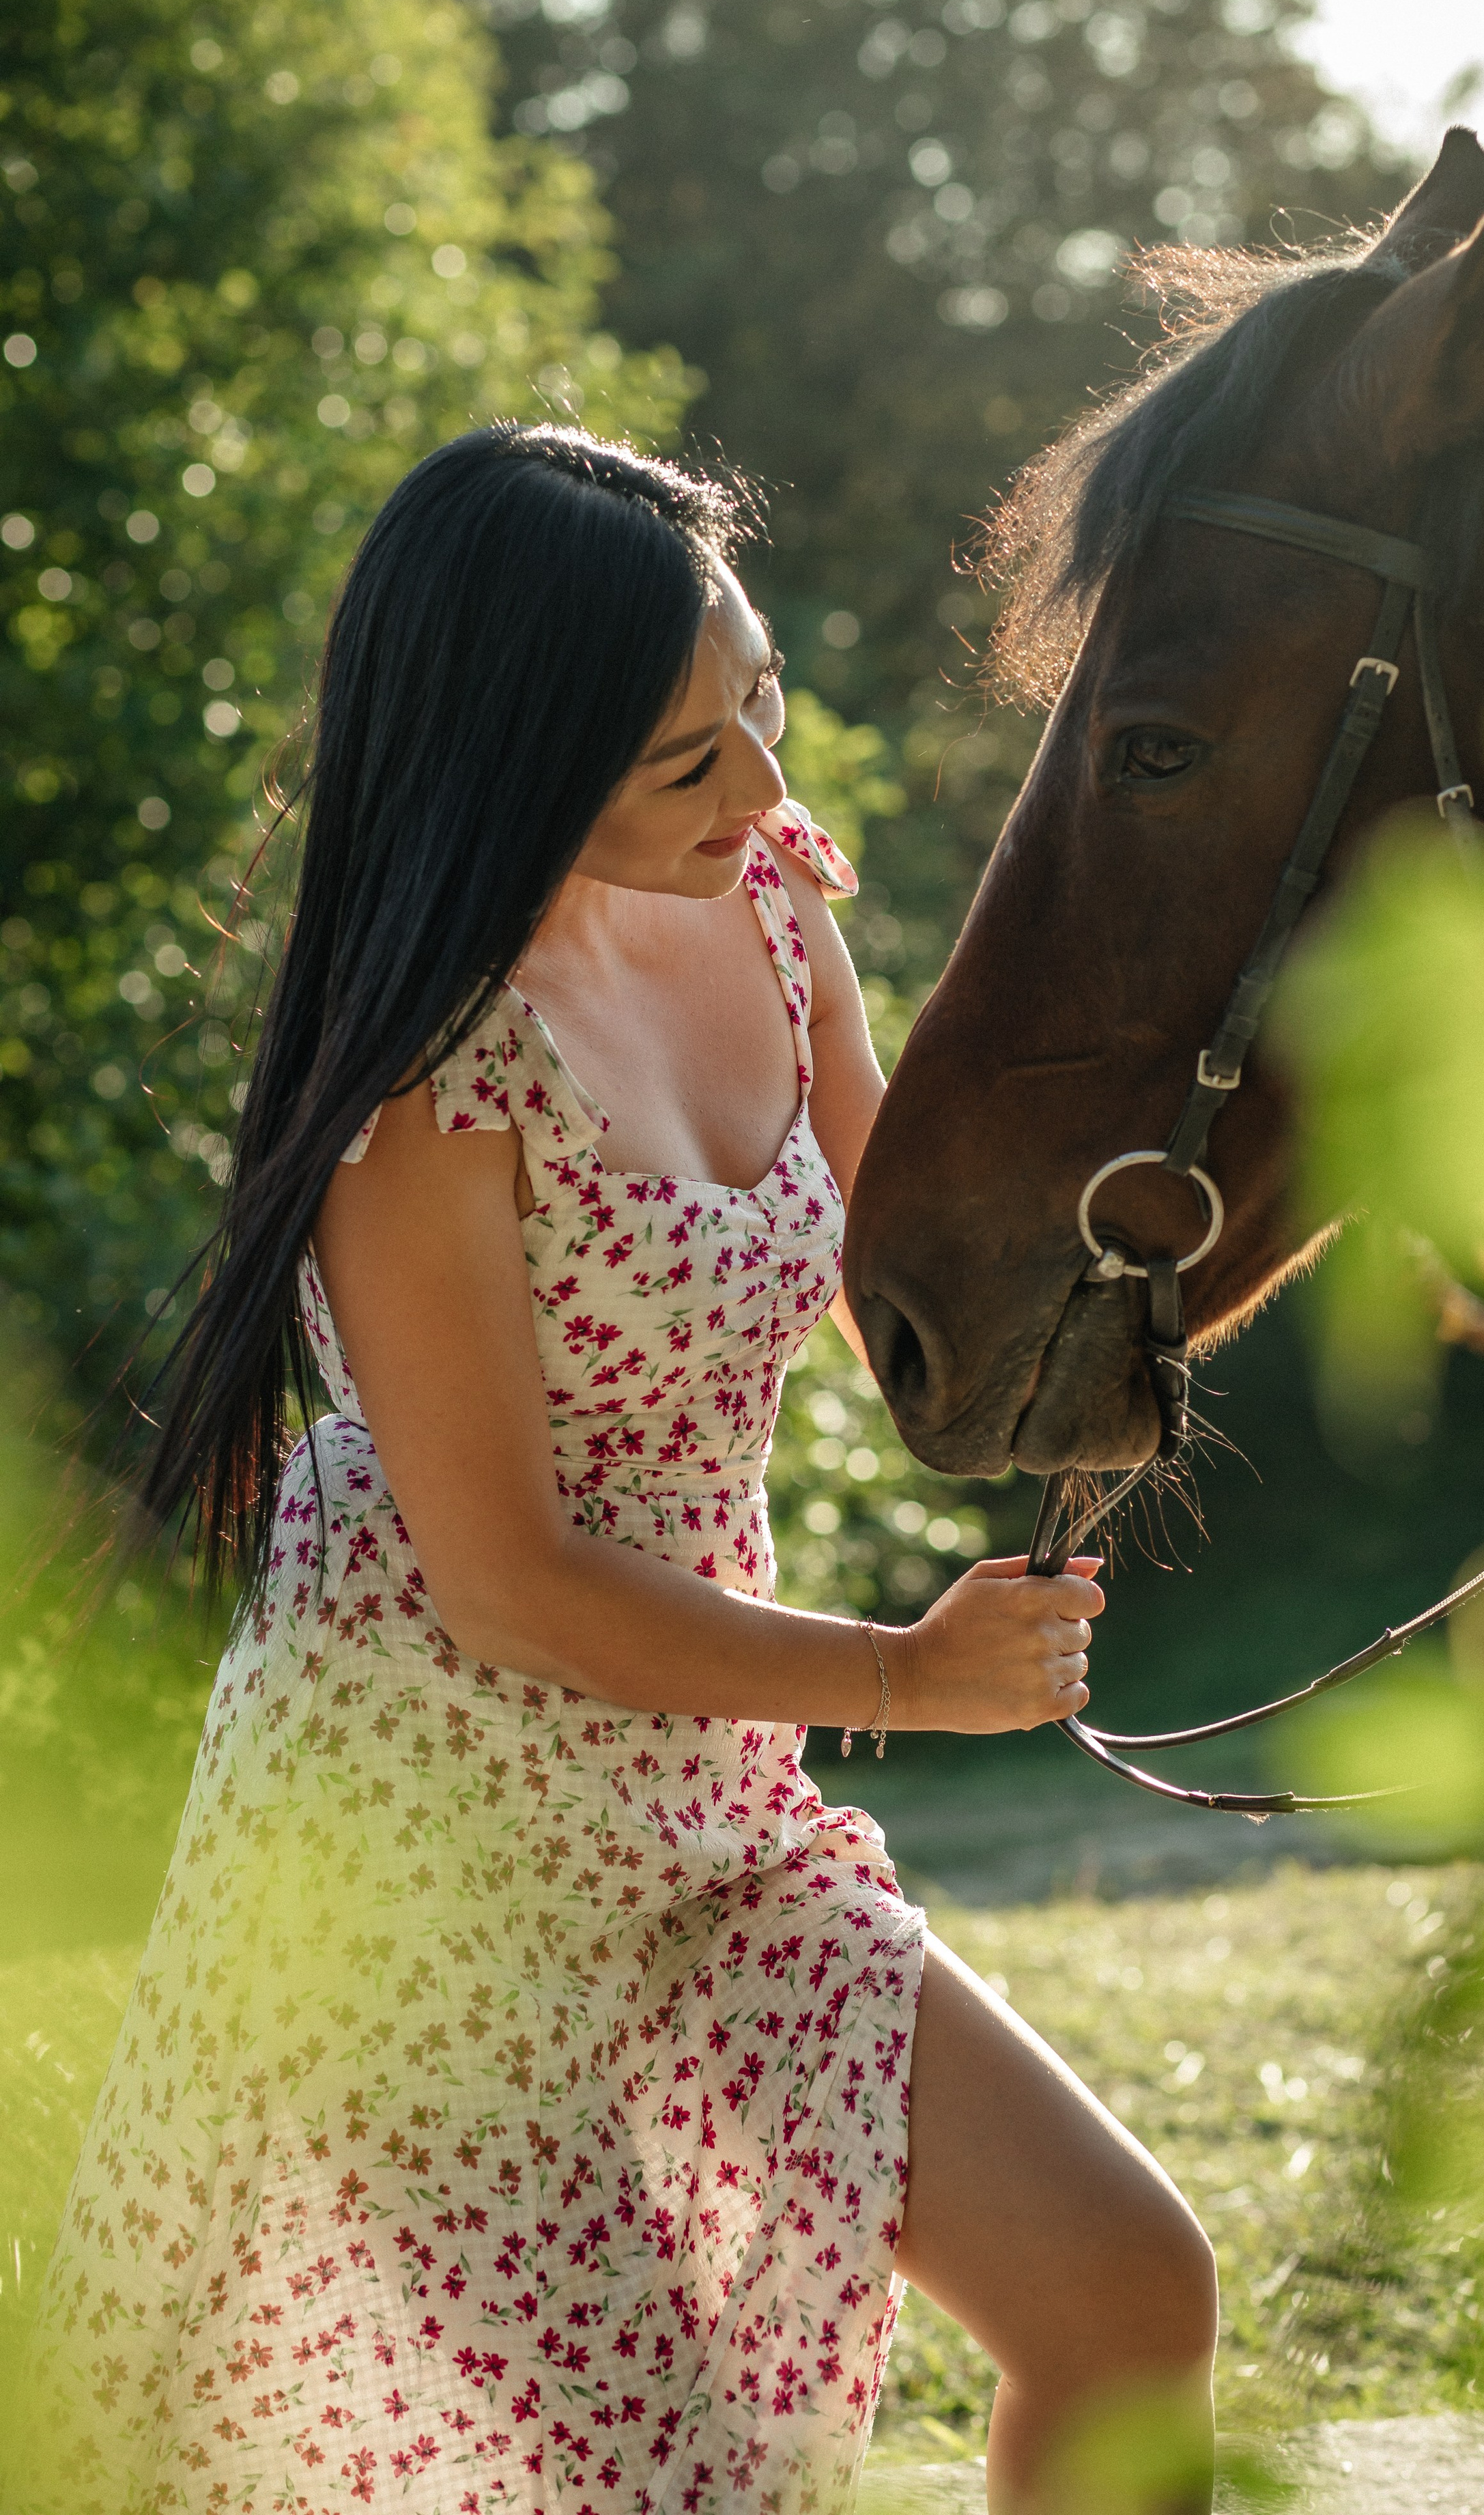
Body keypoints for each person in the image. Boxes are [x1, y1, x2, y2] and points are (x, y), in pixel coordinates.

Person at [24, 425, 1216, 2514]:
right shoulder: (429, 1071)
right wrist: (905, 1678)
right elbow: (509, 1587)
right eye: (689, 759)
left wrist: (1172, 1225)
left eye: (759, 699)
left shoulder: (770, 921)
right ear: (516, 768)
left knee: (1127, 2292)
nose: (762, 786)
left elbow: (911, 1291)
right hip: (424, 1870)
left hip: (707, 1824)